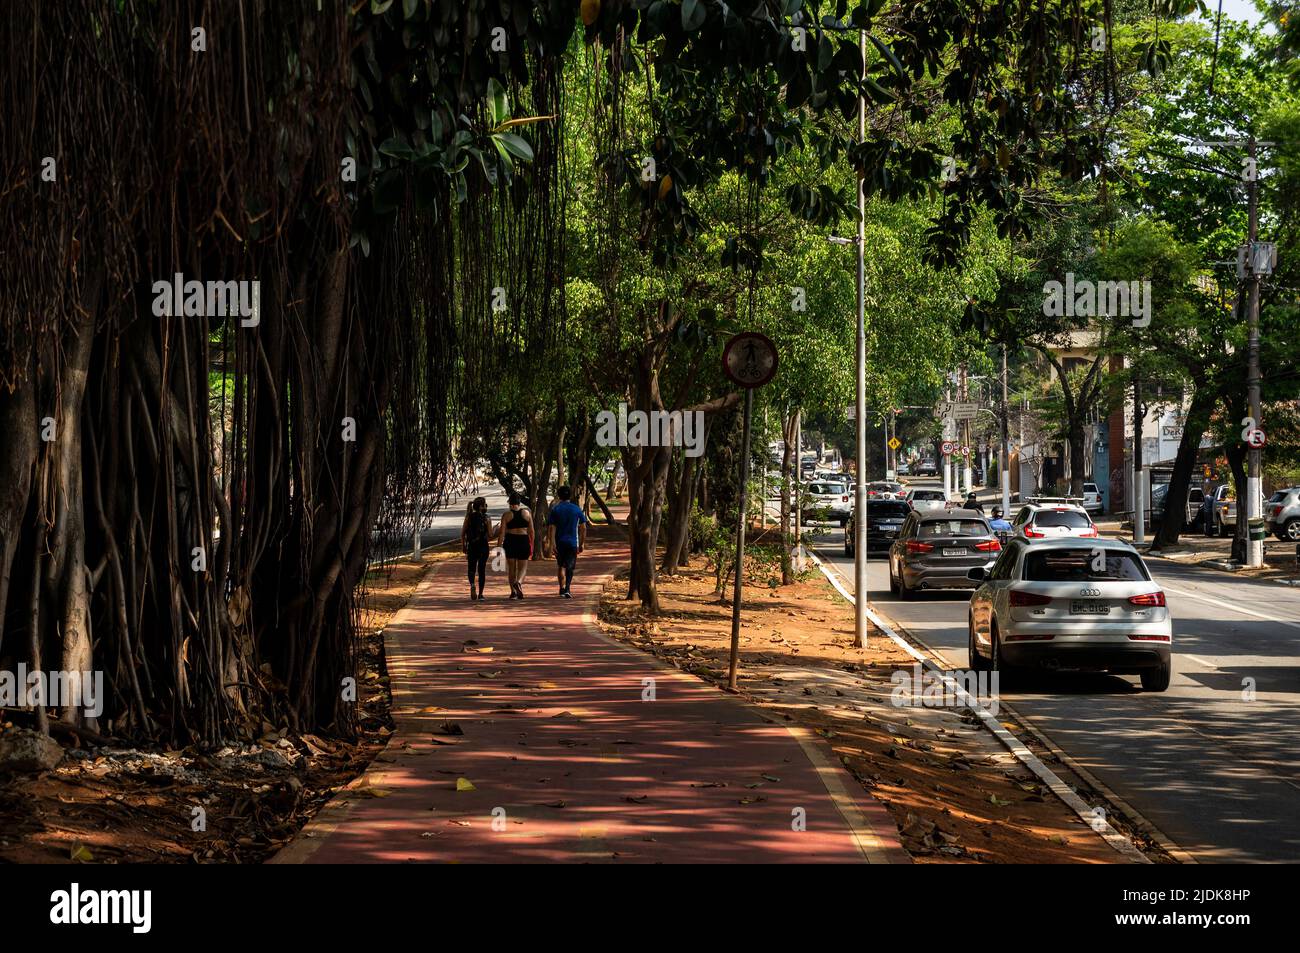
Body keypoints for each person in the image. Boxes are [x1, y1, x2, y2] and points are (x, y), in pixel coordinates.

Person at [546, 485, 589, 598]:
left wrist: (552, 543)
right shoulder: (576, 509)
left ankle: (561, 588)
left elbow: (552, 528)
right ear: (570, 495)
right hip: (572, 542)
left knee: (561, 565)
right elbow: (583, 527)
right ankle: (568, 589)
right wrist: (582, 543)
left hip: (559, 542)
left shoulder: (556, 509)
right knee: (570, 566)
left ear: (559, 496)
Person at [498, 492, 534, 599]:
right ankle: (518, 582)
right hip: (523, 541)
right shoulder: (527, 513)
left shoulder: (506, 515)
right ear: (519, 502)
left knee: (512, 569)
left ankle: (513, 592)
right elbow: (531, 531)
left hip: (510, 541)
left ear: (510, 503)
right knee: (523, 568)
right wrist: (532, 544)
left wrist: (499, 547)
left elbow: (502, 533)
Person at [460, 497, 494, 601]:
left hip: (472, 546)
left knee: (471, 568)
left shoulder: (469, 517)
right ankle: (481, 594)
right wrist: (496, 530)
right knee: (482, 570)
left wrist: (464, 546)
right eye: (485, 505)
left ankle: (472, 584)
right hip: (483, 546)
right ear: (481, 506)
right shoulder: (487, 518)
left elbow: (462, 534)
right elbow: (490, 534)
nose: (486, 507)